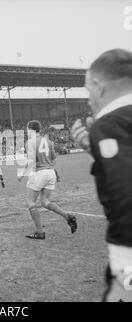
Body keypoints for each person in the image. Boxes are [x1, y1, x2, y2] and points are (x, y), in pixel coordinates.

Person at [71, 48, 132, 302]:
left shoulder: (109, 123)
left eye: (87, 91)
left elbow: (126, 194)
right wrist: (95, 150)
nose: (88, 100)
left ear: (98, 85)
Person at [18, 120, 77, 240]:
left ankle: (40, 232)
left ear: (31, 130)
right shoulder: (48, 141)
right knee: (45, 202)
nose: (26, 131)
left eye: (27, 129)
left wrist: (22, 173)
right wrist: (53, 170)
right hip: (51, 173)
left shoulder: (30, 142)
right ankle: (68, 216)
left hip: (39, 173)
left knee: (30, 202)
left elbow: (30, 161)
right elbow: (54, 159)